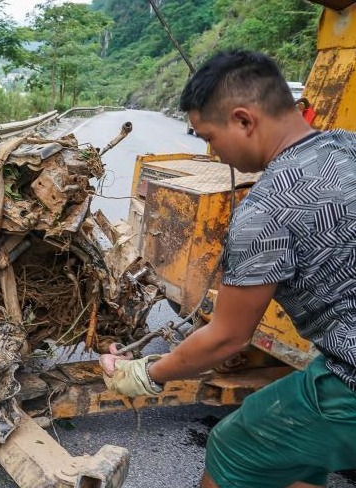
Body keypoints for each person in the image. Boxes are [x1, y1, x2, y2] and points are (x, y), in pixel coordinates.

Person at [100, 50, 356, 488]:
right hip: (339, 355)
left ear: (243, 120)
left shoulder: (266, 208)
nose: (212, 152)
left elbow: (227, 337)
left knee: (234, 447)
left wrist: (143, 374)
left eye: (209, 136)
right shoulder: (348, 145)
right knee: (289, 447)